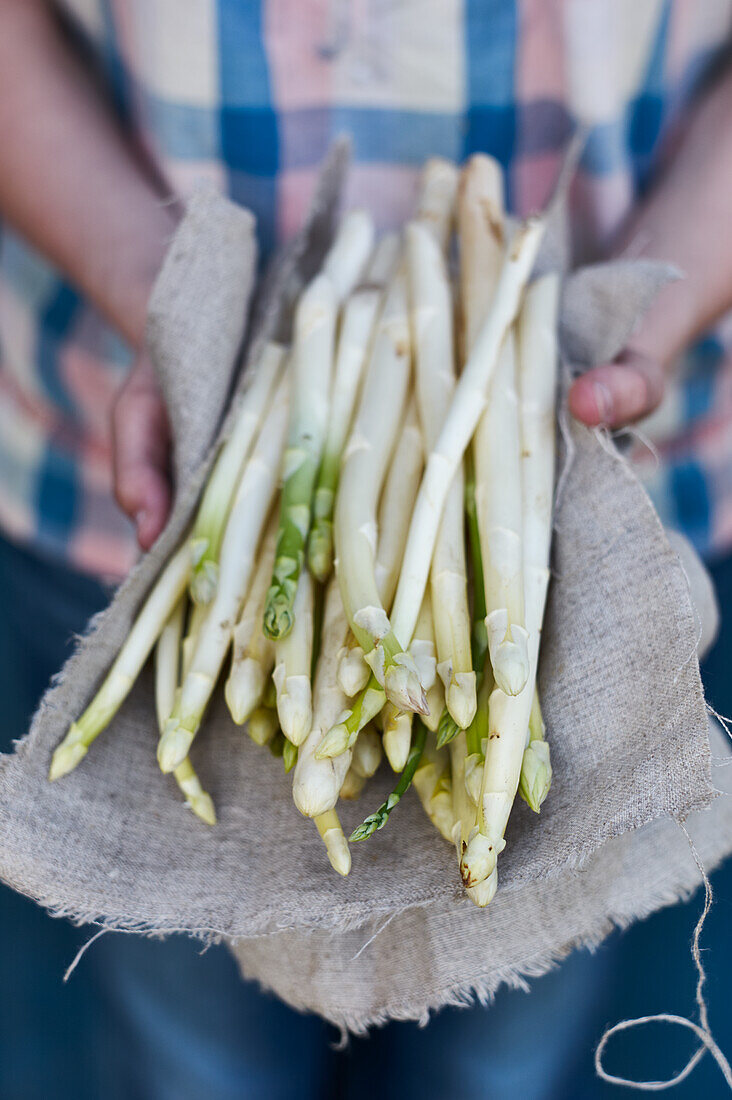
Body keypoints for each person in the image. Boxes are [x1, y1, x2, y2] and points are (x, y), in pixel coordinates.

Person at [0, 1, 731, 1097]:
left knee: (502, 1056)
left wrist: (655, 306)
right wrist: (177, 297)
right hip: (123, 472)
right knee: (193, 1060)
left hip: (625, 476)